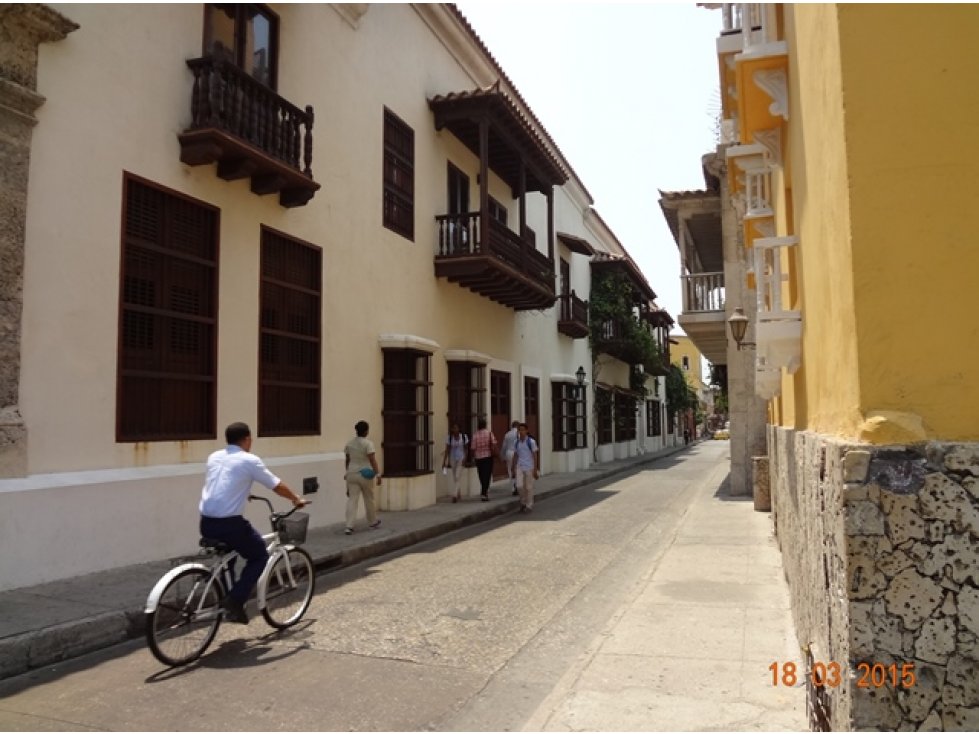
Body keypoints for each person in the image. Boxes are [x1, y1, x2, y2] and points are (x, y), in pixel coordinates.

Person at [199, 422, 307, 624]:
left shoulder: (214, 456)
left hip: (206, 522)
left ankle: (229, 602)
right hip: (229, 524)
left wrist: (242, 491)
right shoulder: (249, 460)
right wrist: (295, 498)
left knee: (227, 560)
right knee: (259, 555)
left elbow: (222, 481)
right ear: (247, 439)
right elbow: (276, 485)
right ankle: (234, 600)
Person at [344, 420, 382, 535]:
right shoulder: (368, 444)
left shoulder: (349, 444)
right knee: (369, 498)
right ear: (366, 431)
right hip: (365, 474)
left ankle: (349, 526)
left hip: (352, 473)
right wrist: (378, 474)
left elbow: (347, 460)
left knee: (352, 500)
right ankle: (372, 521)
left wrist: (347, 472)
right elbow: (372, 460)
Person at [510, 422, 539, 513]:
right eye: (520, 430)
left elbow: (534, 455)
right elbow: (515, 455)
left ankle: (528, 505)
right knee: (519, 486)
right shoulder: (516, 442)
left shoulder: (531, 442)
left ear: (526, 431)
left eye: (523, 430)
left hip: (529, 466)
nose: (521, 432)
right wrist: (513, 467)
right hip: (520, 466)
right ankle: (523, 502)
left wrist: (535, 469)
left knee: (528, 487)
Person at [470, 418, 498, 502]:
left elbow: (473, 448)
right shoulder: (489, 433)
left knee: (481, 475)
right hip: (488, 456)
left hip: (478, 458)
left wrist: (473, 456)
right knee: (487, 474)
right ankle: (484, 493)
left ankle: (483, 491)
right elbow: (494, 443)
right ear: (485, 425)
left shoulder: (475, 435)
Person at [441, 422, 468, 502]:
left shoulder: (463, 437)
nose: (455, 429)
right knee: (455, 476)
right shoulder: (449, 438)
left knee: (457, 476)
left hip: (461, 458)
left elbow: (466, 449)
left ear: (459, 429)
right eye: (453, 428)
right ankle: (458, 492)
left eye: (456, 428)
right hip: (452, 458)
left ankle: (454, 495)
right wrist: (444, 461)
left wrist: (465, 458)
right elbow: (447, 450)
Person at [500, 420, 520, 496]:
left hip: (509, 452)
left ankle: (513, 487)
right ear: (518, 426)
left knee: (510, 470)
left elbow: (504, 446)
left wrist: (502, 456)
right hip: (517, 453)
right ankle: (517, 485)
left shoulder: (507, 434)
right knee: (518, 469)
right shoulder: (519, 434)